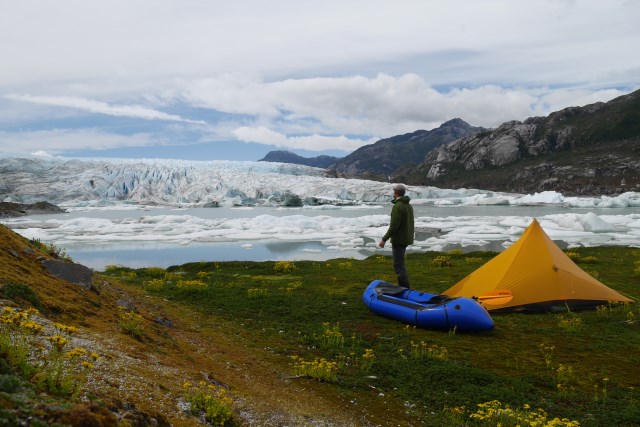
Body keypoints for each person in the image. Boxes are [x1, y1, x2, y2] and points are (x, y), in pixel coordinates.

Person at [378, 184, 414, 288]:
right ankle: (404, 287)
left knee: (398, 265)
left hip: (399, 239)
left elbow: (394, 226)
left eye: (394, 192)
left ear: (396, 193)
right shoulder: (408, 205)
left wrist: (384, 239)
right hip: (406, 238)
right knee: (400, 264)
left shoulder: (398, 206)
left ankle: (404, 289)